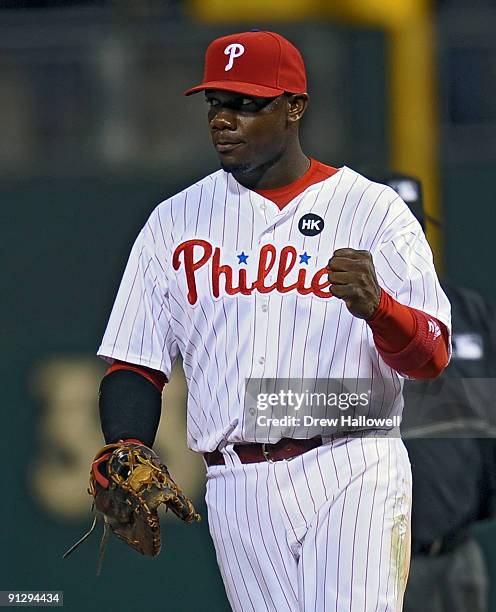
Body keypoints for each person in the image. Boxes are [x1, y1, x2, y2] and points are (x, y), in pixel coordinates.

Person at [96, 31, 451, 611]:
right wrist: (124, 443)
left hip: (352, 462)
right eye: (216, 102)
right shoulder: (173, 221)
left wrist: (381, 310)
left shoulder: (371, 209)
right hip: (237, 484)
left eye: (247, 103)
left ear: (294, 108)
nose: (224, 119)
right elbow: (134, 363)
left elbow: (432, 356)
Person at [381, 174, 496, 612]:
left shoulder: (466, 309)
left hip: (459, 550)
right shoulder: (335, 321)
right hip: (383, 561)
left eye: (411, 232)